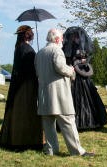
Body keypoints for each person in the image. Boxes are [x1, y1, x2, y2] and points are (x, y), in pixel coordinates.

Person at [35, 28, 94, 156]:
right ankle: (77, 151)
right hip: (59, 94)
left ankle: (51, 150)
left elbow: (38, 71)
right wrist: (71, 70)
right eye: (61, 38)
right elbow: (61, 68)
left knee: (48, 125)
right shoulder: (57, 51)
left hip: (44, 95)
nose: (63, 40)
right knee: (68, 122)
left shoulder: (39, 53)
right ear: (56, 39)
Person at [0, 25, 44, 150]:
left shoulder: (19, 47)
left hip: (19, 84)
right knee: (26, 112)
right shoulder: (26, 49)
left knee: (20, 111)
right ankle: (24, 140)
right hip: (26, 85)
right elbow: (29, 69)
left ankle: (17, 138)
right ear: (29, 35)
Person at [62, 26, 107, 130]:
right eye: (74, 36)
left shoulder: (83, 46)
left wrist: (84, 60)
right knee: (75, 98)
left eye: (77, 35)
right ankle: (75, 122)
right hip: (74, 75)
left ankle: (89, 121)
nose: (75, 37)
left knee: (88, 97)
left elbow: (87, 55)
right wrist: (74, 61)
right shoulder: (68, 46)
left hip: (83, 75)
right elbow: (67, 58)